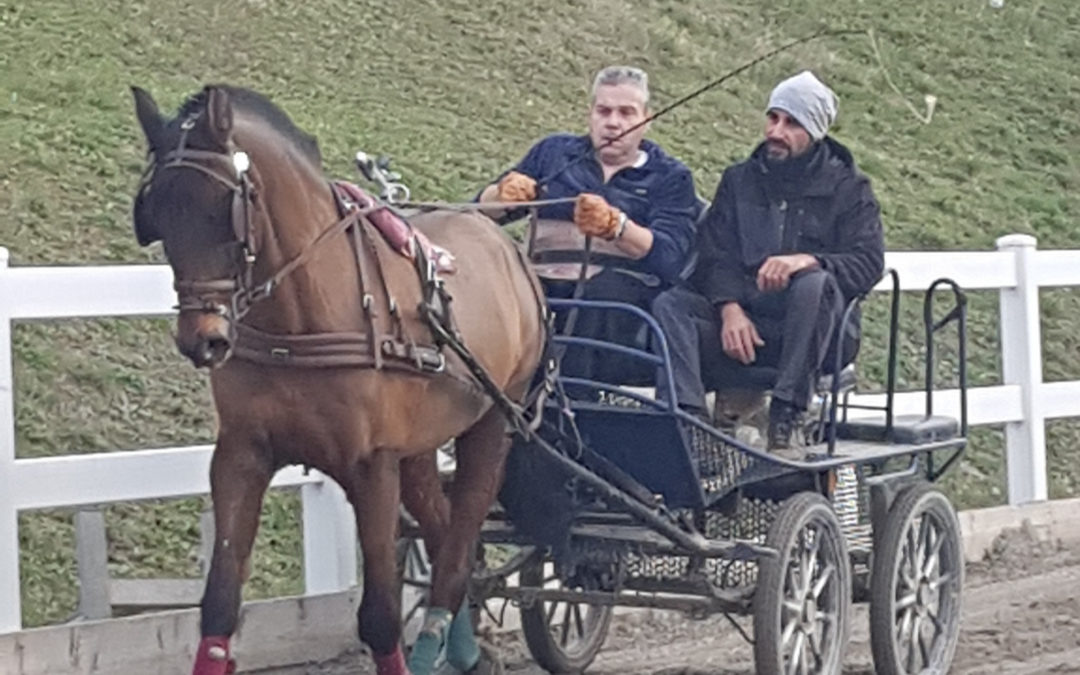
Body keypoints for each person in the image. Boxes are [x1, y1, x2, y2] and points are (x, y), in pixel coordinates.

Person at [653, 70, 885, 454]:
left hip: (818, 334)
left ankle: (788, 415)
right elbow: (714, 252)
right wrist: (729, 309)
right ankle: (686, 424)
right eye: (773, 117)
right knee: (670, 304)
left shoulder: (850, 189)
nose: (776, 131)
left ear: (816, 132)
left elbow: (868, 263)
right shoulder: (739, 180)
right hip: (745, 328)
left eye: (792, 123)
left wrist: (807, 261)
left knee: (815, 282)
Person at [478, 66, 700, 384]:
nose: (613, 123)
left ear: (647, 120)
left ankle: (568, 402)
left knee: (597, 293)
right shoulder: (553, 153)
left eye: (626, 113)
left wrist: (617, 227)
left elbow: (671, 257)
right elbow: (480, 211)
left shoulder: (670, 177)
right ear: (590, 115)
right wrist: (501, 195)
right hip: (539, 281)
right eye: (604, 111)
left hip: (616, 297)